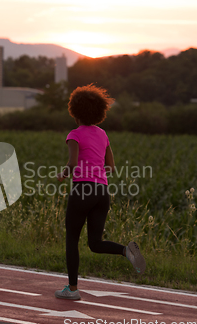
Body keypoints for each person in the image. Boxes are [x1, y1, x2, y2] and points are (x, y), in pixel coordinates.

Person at [55, 84, 145, 300]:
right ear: (98, 112)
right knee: (95, 243)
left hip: (82, 190)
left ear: (75, 112)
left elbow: (73, 162)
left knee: (72, 240)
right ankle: (126, 251)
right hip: (102, 192)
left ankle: (73, 290)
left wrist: (63, 173)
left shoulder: (74, 134)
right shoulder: (103, 134)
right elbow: (111, 166)